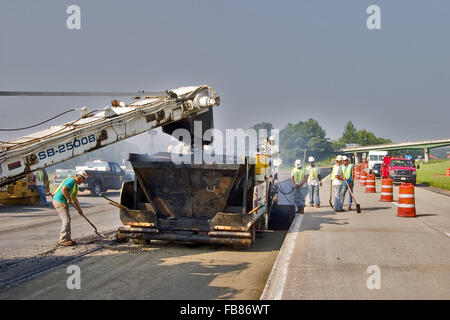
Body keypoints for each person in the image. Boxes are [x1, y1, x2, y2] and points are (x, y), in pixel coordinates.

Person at [52, 171, 88, 246]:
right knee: (66, 220)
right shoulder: (71, 181)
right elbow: (63, 189)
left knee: (68, 219)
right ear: (80, 178)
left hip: (62, 202)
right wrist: (68, 199)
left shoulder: (75, 186)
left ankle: (67, 238)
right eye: (83, 179)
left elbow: (75, 199)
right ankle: (63, 240)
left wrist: (79, 210)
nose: (83, 181)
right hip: (59, 201)